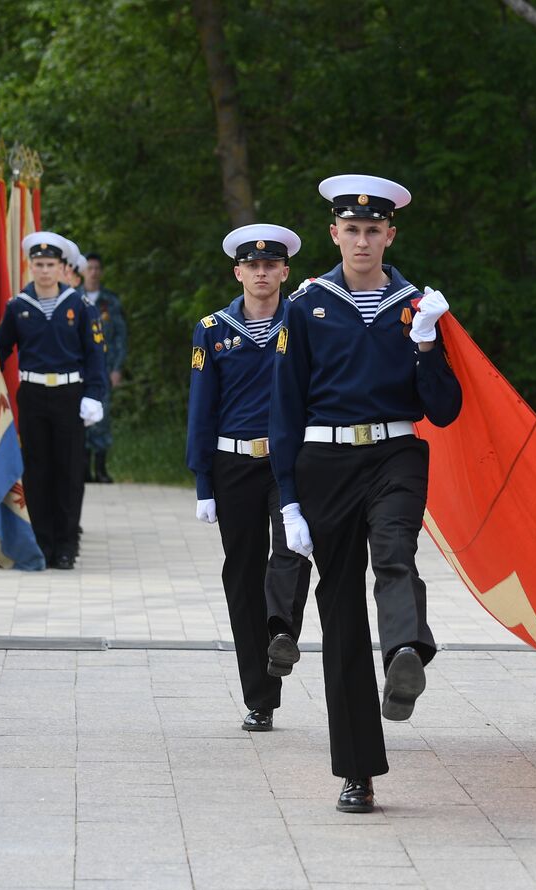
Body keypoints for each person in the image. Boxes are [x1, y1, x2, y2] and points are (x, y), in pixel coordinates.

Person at [270, 174, 462, 813]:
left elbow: (447, 408)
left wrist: (430, 343)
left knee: (396, 551)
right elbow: (284, 407)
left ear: (390, 234)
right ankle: (357, 769)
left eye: (372, 230)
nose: (361, 240)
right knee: (341, 613)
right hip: (323, 461)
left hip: (396, 451)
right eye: (350, 229)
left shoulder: (417, 304)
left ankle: (407, 649)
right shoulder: (305, 305)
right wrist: (288, 502)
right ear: (334, 234)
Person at [187, 223, 315, 733]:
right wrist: (202, 481)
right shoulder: (213, 329)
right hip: (232, 463)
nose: (262, 273)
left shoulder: (303, 320)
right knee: (241, 575)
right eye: (252, 266)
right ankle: (260, 695)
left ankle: (281, 629)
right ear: (238, 272)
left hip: (291, 462)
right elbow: (202, 407)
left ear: (285, 270)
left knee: (292, 550)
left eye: (271, 265)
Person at [0, 231, 106, 569]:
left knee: (70, 470)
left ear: (61, 268)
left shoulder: (79, 306)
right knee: (37, 470)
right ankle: (41, 541)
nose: (44, 270)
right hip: (32, 394)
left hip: (69, 394)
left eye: (50, 264)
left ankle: (66, 544)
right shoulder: (17, 307)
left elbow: (95, 354)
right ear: (30, 267)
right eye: (38, 264)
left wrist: (94, 395)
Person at [83, 253, 128, 483]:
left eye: (96, 268)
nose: (93, 272)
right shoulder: (74, 298)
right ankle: (82, 470)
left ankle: (100, 469)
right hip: (79, 370)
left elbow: (120, 336)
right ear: (83, 271)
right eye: (89, 268)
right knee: (79, 417)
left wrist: (117, 368)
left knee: (102, 416)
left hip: (104, 368)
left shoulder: (109, 301)